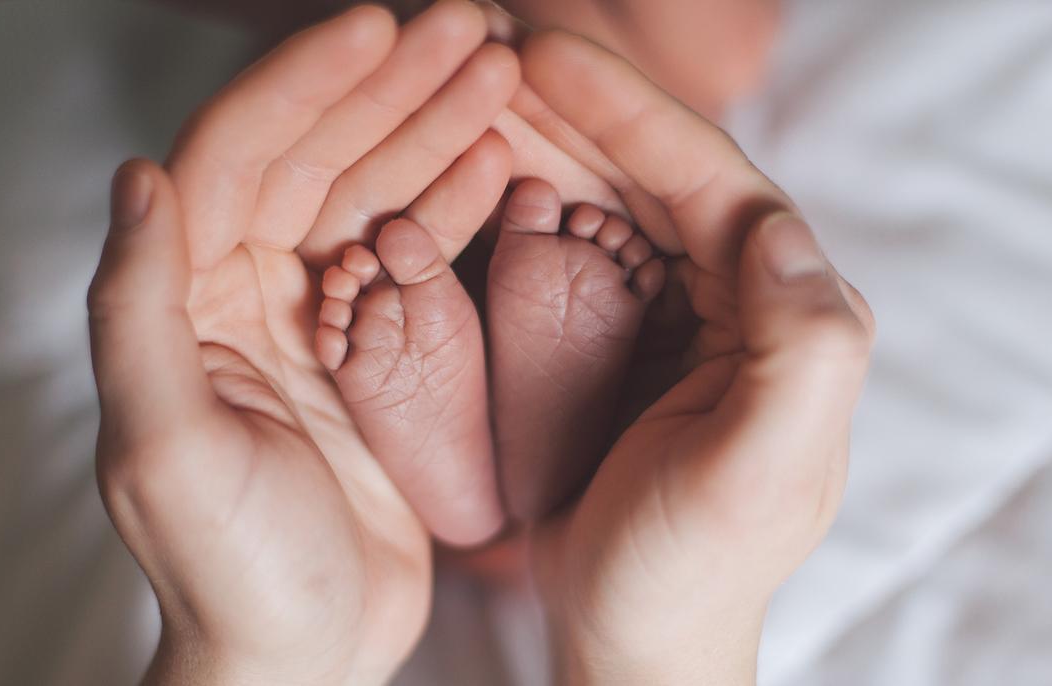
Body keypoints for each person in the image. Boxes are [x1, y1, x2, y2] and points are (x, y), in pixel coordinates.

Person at [86, 3, 873, 683]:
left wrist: (257, 662)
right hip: (583, 151)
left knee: (321, 80)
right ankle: (516, 482)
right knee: (724, 45)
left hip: (372, 155)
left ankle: (477, 503)